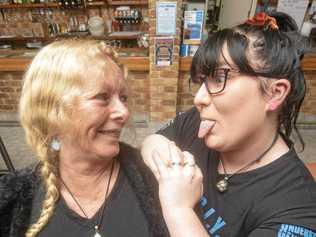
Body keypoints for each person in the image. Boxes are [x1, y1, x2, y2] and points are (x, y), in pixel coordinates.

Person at [141, 12, 316, 237]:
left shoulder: (298, 210)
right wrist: (164, 156)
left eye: (219, 78)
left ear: (274, 93)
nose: (199, 98)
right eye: (203, 81)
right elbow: (152, 140)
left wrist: (179, 209)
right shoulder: (200, 120)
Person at [0, 39, 169, 237]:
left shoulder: (156, 179)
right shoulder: (11, 200)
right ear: (53, 109)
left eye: (123, 97)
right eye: (102, 97)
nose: (123, 112)